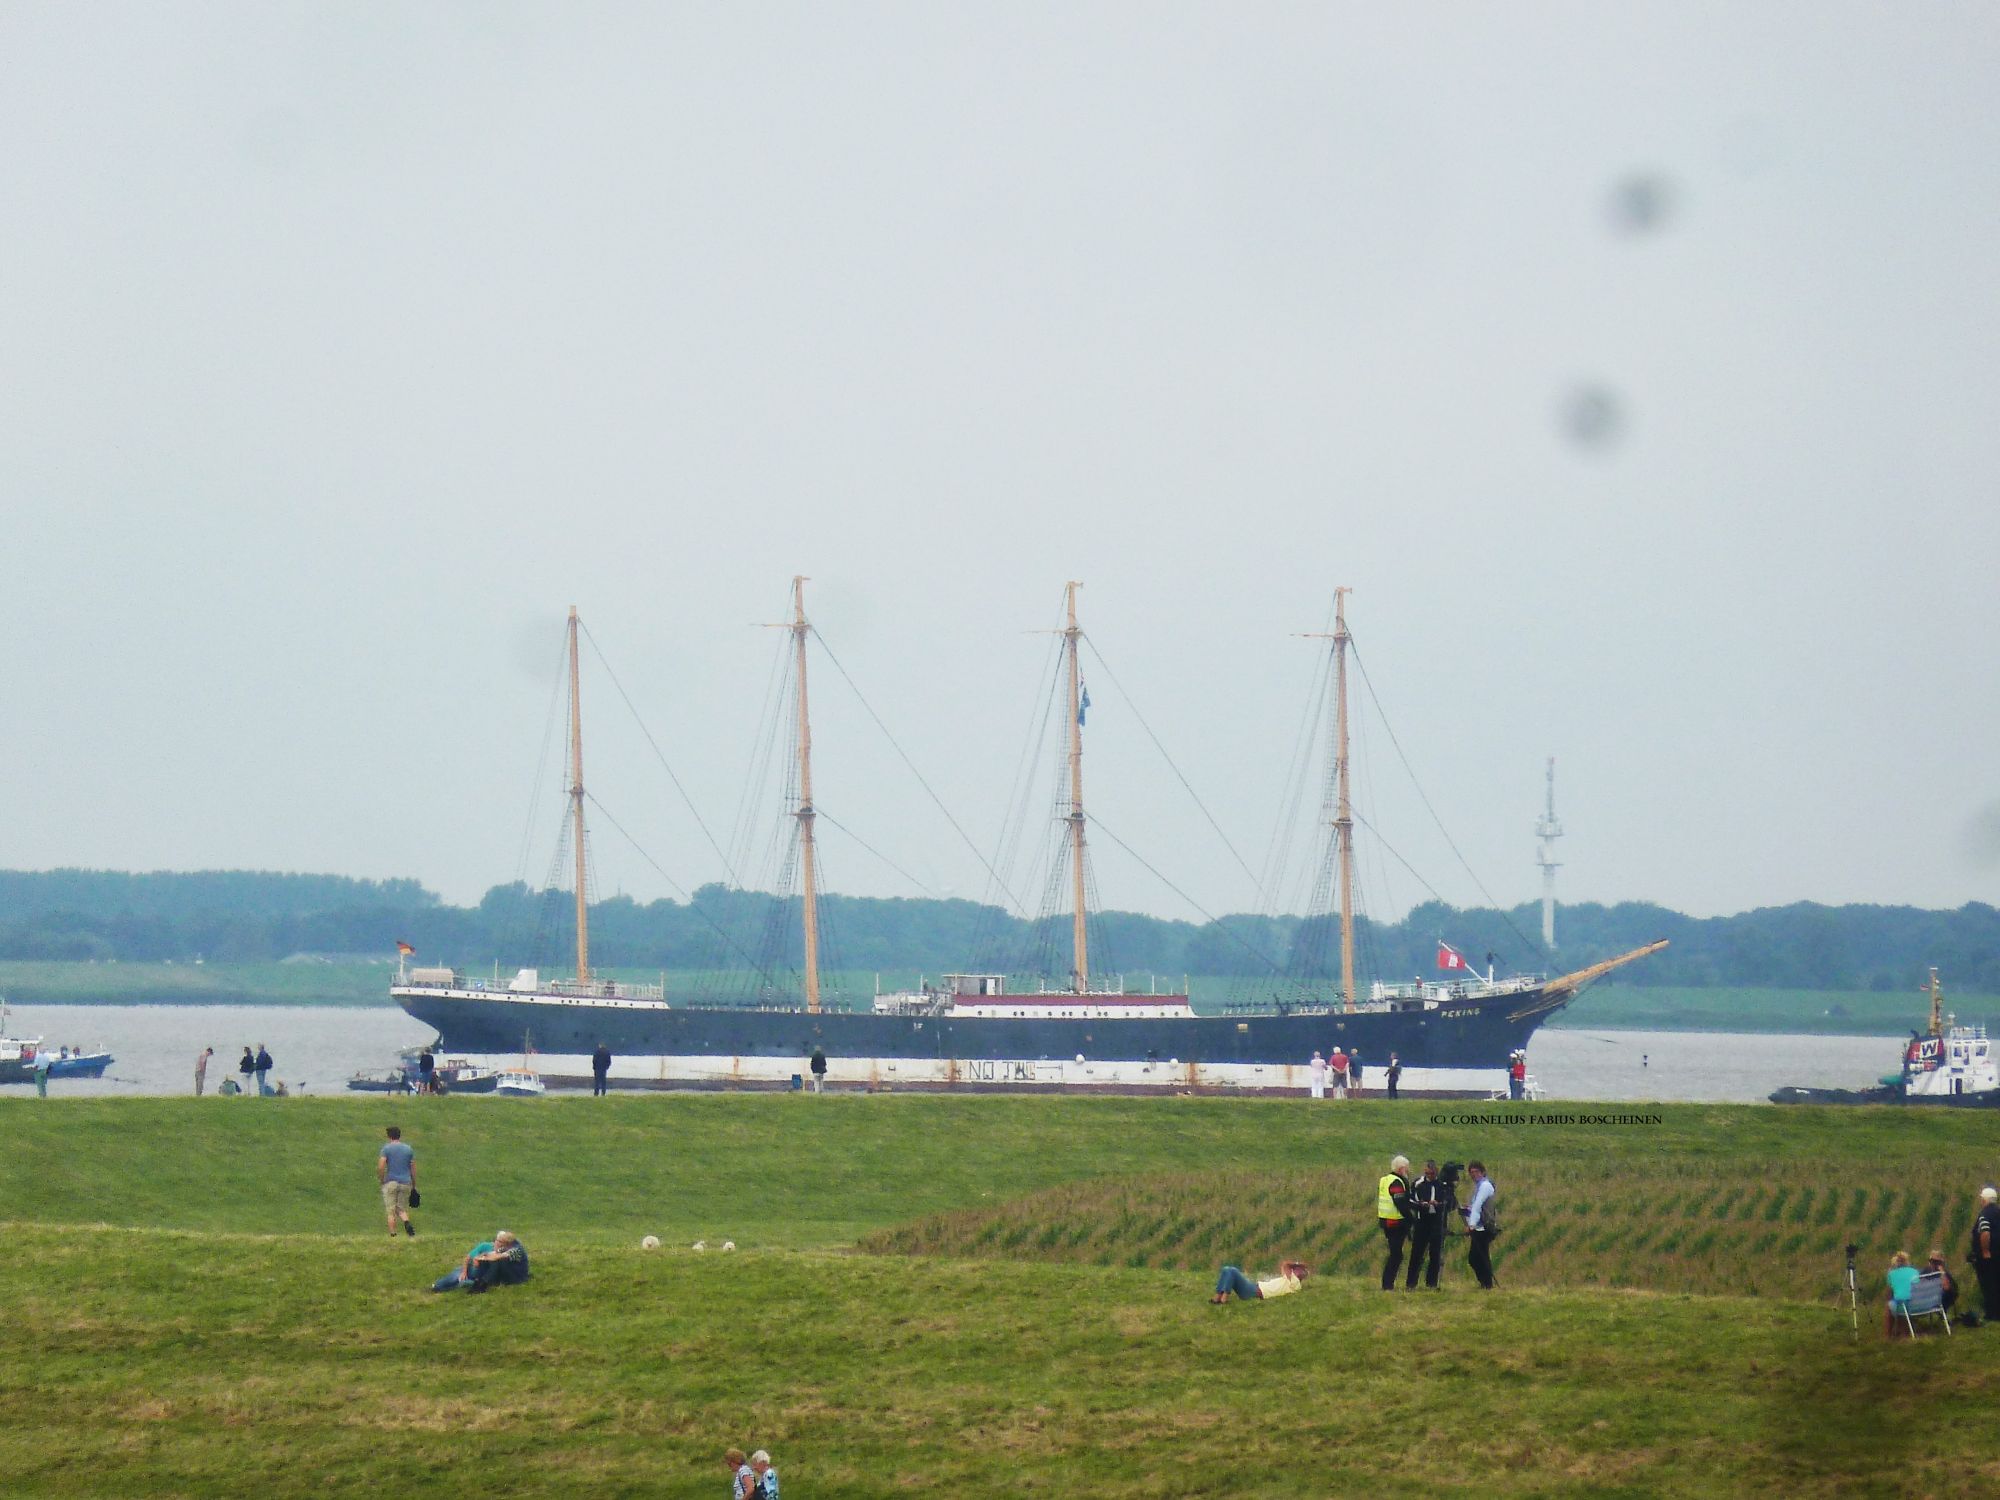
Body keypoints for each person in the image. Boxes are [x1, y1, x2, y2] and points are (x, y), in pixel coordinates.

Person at [1405, 1159, 1452, 1290]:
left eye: (1432, 1173)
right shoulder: (1418, 1183)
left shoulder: (1442, 1185)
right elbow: (1410, 1200)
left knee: (1435, 1254)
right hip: (1422, 1222)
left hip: (1437, 1222)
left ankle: (1431, 1283)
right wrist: (1421, 1205)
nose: (1430, 1175)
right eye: (1427, 1173)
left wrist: (1439, 1204)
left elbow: (1449, 1202)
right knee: (1417, 1254)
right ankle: (1411, 1283)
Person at [430, 1230, 528, 1292]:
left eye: (501, 1242)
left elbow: (497, 1256)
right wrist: (480, 1256)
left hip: (515, 1277)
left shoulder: (516, 1249)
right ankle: (439, 1287)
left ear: (507, 1243)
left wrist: (481, 1259)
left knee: (462, 1277)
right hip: (480, 1271)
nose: (499, 1244)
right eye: (498, 1241)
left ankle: (481, 1283)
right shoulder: (499, 1246)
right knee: (461, 1273)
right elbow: (493, 1253)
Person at [1461, 1160, 1497, 1289]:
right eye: (1471, 1172)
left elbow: (1478, 1206)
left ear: (1482, 1172)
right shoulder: (1480, 1186)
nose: (1473, 1174)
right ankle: (1485, 1283)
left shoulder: (1485, 1186)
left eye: (1476, 1172)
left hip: (1483, 1226)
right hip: (1479, 1226)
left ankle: (1486, 1283)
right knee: (1478, 1257)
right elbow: (1476, 1206)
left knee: (1478, 1257)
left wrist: (1471, 1225)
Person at [1378, 1154, 1412, 1290]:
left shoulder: (1384, 1180)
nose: (1408, 1171)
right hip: (1395, 1222)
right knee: (1396, 1254)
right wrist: (1410, 1218)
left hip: (1385, 1221)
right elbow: (1400, 1202)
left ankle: (1387, 1284)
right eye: (1407, 1169)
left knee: (1395, 1253)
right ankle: (1387, 1284)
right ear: (1401, 1168)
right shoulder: (1397, 1182)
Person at [1209, 1259, 1310, 1303]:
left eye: (1298, 1270)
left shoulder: (1295, 1283)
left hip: (1254, 1292)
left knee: (1232, 1270)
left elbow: (1286, 1264)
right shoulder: (1288, 1281)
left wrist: (1297, 1264)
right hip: (1254, 1288)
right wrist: (1297, 1266)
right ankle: (1218, 1297)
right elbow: (1284, 1265)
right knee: (1226, 1270)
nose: (1295, 1271)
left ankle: (1223, 1299)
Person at [379, 1126, 417, 1239]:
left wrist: (382, 1180)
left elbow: (381, 1166)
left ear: (389, 1136)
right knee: (401, 1208)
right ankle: (407, 1223)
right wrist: (414, 1184)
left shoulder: (386, 1149)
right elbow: (413, 1168)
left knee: (391, 1211)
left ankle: (393, 1235)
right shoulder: (408, 1149)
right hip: (405, 1182)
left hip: (391, 1182)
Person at [1972, 1185, 2000, 1321]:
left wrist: (1985, 1251)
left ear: (1985, 1200)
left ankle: (1992, 1314)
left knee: (1989, 1284)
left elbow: (1985, 1232)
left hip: (1988, 1257)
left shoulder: (1985, 1214)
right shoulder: (1998, 1212)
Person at [1884, 1251, 1920, 1338]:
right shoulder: (1915, 1271)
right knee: (1901, 1301)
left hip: (1905, 1306)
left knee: (1889, 1305)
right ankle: (1903, 1331)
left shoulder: (1891, 1274)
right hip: (1919, 1304)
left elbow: (1889, 1294)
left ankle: (1887, 1335)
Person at [1925, 1249, 1959, 1314]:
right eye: (1931, 1261)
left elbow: (1947, 1288)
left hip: (1943, 1297)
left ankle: (1942, 1314)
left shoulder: (1944, 1274)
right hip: (1928, 1298)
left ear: (1941, 1263)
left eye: (1936, 1262)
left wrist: (1942, 1272)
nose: (1933, 1264)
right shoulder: (1926, 1271)